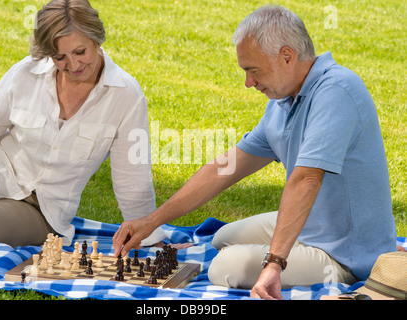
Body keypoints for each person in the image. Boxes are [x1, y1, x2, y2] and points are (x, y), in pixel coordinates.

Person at [112, 5, 398, 299]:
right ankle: (288, 244)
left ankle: (330, 263)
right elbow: (225, 168)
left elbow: (306, 181)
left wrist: (274, 264)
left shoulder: (336, 91)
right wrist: (152, 221)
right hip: (312, 223)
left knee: (225, 267)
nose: (248, 82)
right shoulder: (283, 101)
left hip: (346, 250)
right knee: (222, 238)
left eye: (253, 70)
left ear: (287, 56)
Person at [0, 0, 166, 247]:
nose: (74, 65)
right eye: (59, 57)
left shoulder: (126, 96)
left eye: (80, 52)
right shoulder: (26, 72)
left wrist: (151, 239)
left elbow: (133, 179)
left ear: (96, 40)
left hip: (42, 209)